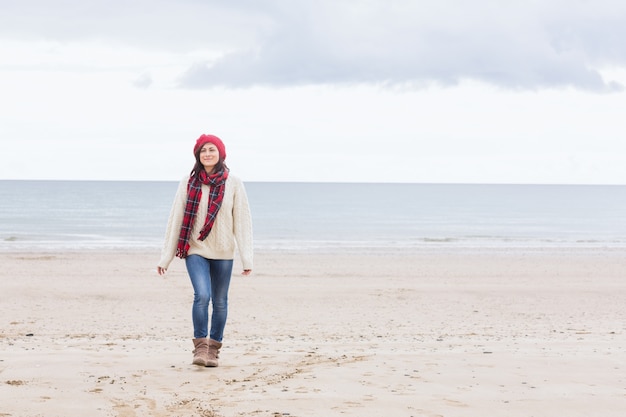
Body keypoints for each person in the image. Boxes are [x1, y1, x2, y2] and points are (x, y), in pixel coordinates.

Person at [157, 133, 253, 367]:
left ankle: (213, 350)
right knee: (202, 296)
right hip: (195, 248)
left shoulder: (234, 183)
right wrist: (166, 257)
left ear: (220, 153)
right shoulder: (188, 182)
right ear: (198, 156)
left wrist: (246, 258)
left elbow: (242, 220)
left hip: (223, 252)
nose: (207, 154)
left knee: (220, 301)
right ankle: (200, 349)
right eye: (203, 151)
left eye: (211, 149)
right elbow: (176, 219)